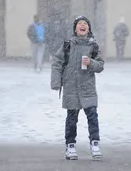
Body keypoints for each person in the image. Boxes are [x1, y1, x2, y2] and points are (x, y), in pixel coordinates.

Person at [51, 16, 105, 160]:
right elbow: (57, 62)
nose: (82, 26)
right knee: (71, 118)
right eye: (79, 24)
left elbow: (100, 65)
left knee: (92, 116)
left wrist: (91, 62)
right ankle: (70, 146)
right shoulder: (67, 45)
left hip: (88, 87)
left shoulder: (93, 46)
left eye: (85, 24)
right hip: (71, 87)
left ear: (89, 28)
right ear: (75, 28)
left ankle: (95, 144)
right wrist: (56, 82)